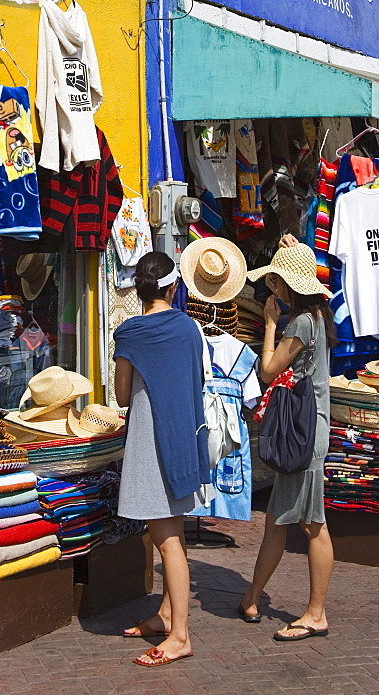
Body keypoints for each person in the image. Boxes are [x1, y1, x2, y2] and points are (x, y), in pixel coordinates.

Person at [113, 251, 211, 668]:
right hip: (184, 440)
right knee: (175, 536)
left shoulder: (131, 333)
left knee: (166, 540)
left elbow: (120, 396)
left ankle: (180, 636)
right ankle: (168, 615)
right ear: (174, 287)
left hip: (152, 442)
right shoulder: (190, 328)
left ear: (139, 290)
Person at [239, 235, 337, 641]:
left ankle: (316, 613)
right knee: (278, 521)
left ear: (288, 285)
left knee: (313, 524)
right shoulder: (317, 316)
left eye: (275, 281)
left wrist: (268, 324)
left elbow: (267, 370)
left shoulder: (298, 322)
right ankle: (252, 596)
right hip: (308, 429)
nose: (270, 287)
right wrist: (293, 249)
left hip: (305, 433)